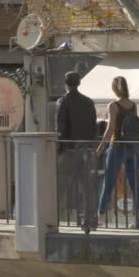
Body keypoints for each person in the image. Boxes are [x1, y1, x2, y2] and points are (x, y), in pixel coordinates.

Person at [96, 76, 139, 228]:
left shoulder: (113, 105)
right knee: (134, 183)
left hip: (117, 146)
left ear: (114, 88)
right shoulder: (132, 105)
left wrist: (100, 148)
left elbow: (110, 129)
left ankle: (101, 217)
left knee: (109, 182)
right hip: (132, 146)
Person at [55, 71, 97, 228]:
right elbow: (94, 127)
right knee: (87, 189)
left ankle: (53, 220)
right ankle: (90, 221)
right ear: (79, 83)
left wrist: (59, 148)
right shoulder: (89, 102)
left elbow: (61, 127)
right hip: (86, 150)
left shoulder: (63, 102)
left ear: (65, 84)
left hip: (69, 150)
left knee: (60, 187)